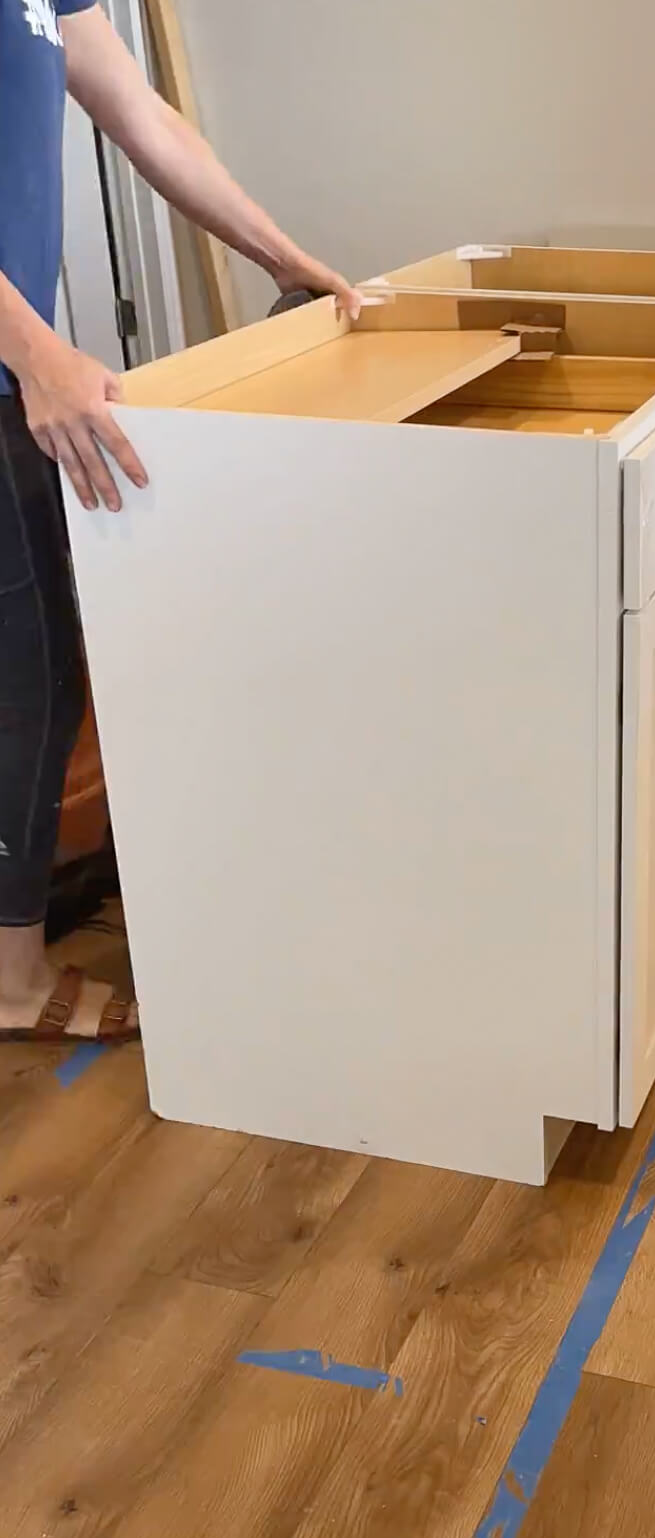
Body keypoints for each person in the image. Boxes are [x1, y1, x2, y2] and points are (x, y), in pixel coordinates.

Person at [0, 0, 361, 1043]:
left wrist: (281, 255)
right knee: (28, 672)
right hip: (15, 362)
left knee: (40, 661)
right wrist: (39, 354)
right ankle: (14, 981)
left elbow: (145, 116)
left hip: (11, 360)